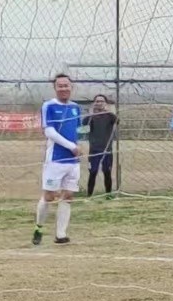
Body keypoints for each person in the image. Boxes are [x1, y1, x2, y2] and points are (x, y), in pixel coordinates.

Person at [33, 73, 82, 246]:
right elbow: (49, 132)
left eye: (66, 85)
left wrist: (79, 146)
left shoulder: (76, 107)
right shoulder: (49, 106)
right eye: (60, 86)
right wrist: (71, 147)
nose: (63, 88)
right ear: (55, 88)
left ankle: (61, 234)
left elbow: (77, 131)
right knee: (49, 196)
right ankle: (38, 227)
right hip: (55, 160)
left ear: (71, 87)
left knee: (68, 196)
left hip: (73, 162)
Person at [83, 94, 118, 197]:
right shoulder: (90, 118)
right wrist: (90, 114)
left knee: (107, 172)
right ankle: (89, 196)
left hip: (107, 150)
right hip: (94, 150)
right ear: (94, 103)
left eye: (101, 101)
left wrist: (109, 110)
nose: (99, 103)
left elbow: (117, 121)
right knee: (92, 173)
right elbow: (84, 127)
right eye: (97, 101)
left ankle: (108, 195)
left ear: (105, 103)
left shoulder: (110, 116)